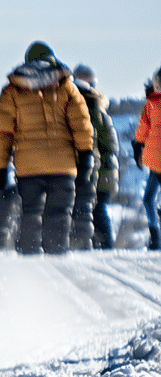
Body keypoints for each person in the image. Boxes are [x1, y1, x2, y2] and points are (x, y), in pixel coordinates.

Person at [0, 42, 94, 255]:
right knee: (59, 214)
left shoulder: (12, 91)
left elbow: (2, 133)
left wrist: (0, 167)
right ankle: (56, 258)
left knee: (31, 214)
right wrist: (85, 156)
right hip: (63, 167)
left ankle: (30, 264)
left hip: (29, 168)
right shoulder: (66, 87)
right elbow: (82, 125)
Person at [73, 64, 121, 249]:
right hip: (106, 170)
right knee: (98, 210)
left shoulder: (90, 109)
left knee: (93, 210)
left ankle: (101, 247)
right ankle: (103, 247)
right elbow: (111, 144)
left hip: (98, 170)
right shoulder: (100, 109)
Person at [135, 66, 161, 250]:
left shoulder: (151, 104)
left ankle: (155, 237)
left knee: (148, 199)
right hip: (156, 162)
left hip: (156, 162)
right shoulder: (151, 103)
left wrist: (138, 145)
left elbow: (142, 130)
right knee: (149, 198)